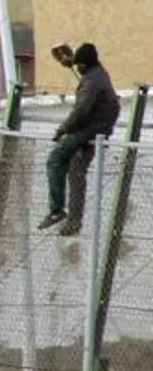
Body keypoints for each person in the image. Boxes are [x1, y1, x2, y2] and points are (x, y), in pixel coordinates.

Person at [39, 42, 121, 236]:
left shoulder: (91, 81)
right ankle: (73, 220)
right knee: (76, 172)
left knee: (55, 159)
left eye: (78, 65)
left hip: (91, 129)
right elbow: (83, 60)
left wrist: (63, 129)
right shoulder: (98, 72)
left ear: (83, 65)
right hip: (98, 127)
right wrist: (70, 61)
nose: (77, 69)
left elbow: (81, 110)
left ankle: (57, 210)